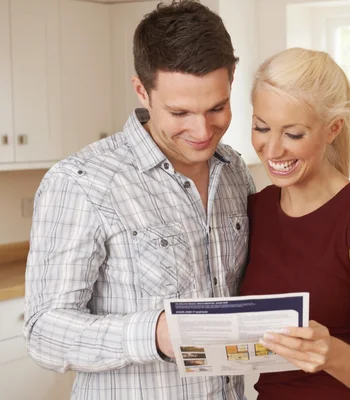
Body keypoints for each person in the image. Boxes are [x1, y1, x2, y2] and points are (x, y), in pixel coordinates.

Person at [23, 1, 254, 399]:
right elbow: (43, 332)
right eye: (179, 112)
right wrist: (155, 334)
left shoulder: (234, 170)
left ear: (232, 79)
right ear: (141, 91)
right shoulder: (82, 182)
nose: (202, 130)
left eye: (217, 107)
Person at [239, 47, 350, 399]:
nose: (272, 150)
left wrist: (328, 353)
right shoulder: (254, 210)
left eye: (294, 134)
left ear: (332, 129)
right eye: (261, 128)